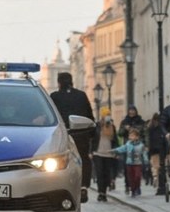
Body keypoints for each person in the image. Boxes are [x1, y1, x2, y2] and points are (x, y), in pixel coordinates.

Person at [50, 72, 95, 203]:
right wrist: (91, 134)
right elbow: (90, 116)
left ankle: (58, 185)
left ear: (59, 83)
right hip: (81, 135)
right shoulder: (81, 96)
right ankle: (83, 185)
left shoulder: (55, 96)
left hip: (62, 136)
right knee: (83, 159)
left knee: (59, 160)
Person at [110, 128, 149, 197]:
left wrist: (146, 161)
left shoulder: (141, 145)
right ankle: (133, 190)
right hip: (129, 163)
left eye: (133, 136)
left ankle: (137, 187)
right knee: (130, 177)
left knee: (137, 176)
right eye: (130, 136)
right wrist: (114, 150)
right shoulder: (128, 144)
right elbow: (122, 148)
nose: (131, 137)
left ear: (137, 137)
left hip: (138, 163)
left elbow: (144, 153)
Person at [117, 106, 146, 193]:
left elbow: (145, 133)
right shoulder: (125, 122)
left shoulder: (141, 122)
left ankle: (137, 186)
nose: (132, 112)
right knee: (128, 168)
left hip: (138, 147)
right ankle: (128, 185)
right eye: (130, 110)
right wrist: (124, 129)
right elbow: (120, 133)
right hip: (128, 148)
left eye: (133, 110)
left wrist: (145, 145)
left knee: (138, 168)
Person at [92, 115, 119, 202]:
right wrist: (90, 151)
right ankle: (101, 193)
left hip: (109, 153)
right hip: (98, 153)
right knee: (99, 173)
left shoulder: (112, 127)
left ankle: (104, 192)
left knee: (107, 174)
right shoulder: (97, 126)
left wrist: (116, 152)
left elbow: (115, 140)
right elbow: (92, 139)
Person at [145, 112, 167, 195]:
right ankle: (160, 184)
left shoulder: (150, 127)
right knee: (161, 168)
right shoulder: (162, 127)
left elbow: (148, 140)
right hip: (160, 150)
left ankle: (156, 180)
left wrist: (148, 150)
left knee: (155, 167)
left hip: (154, 150)